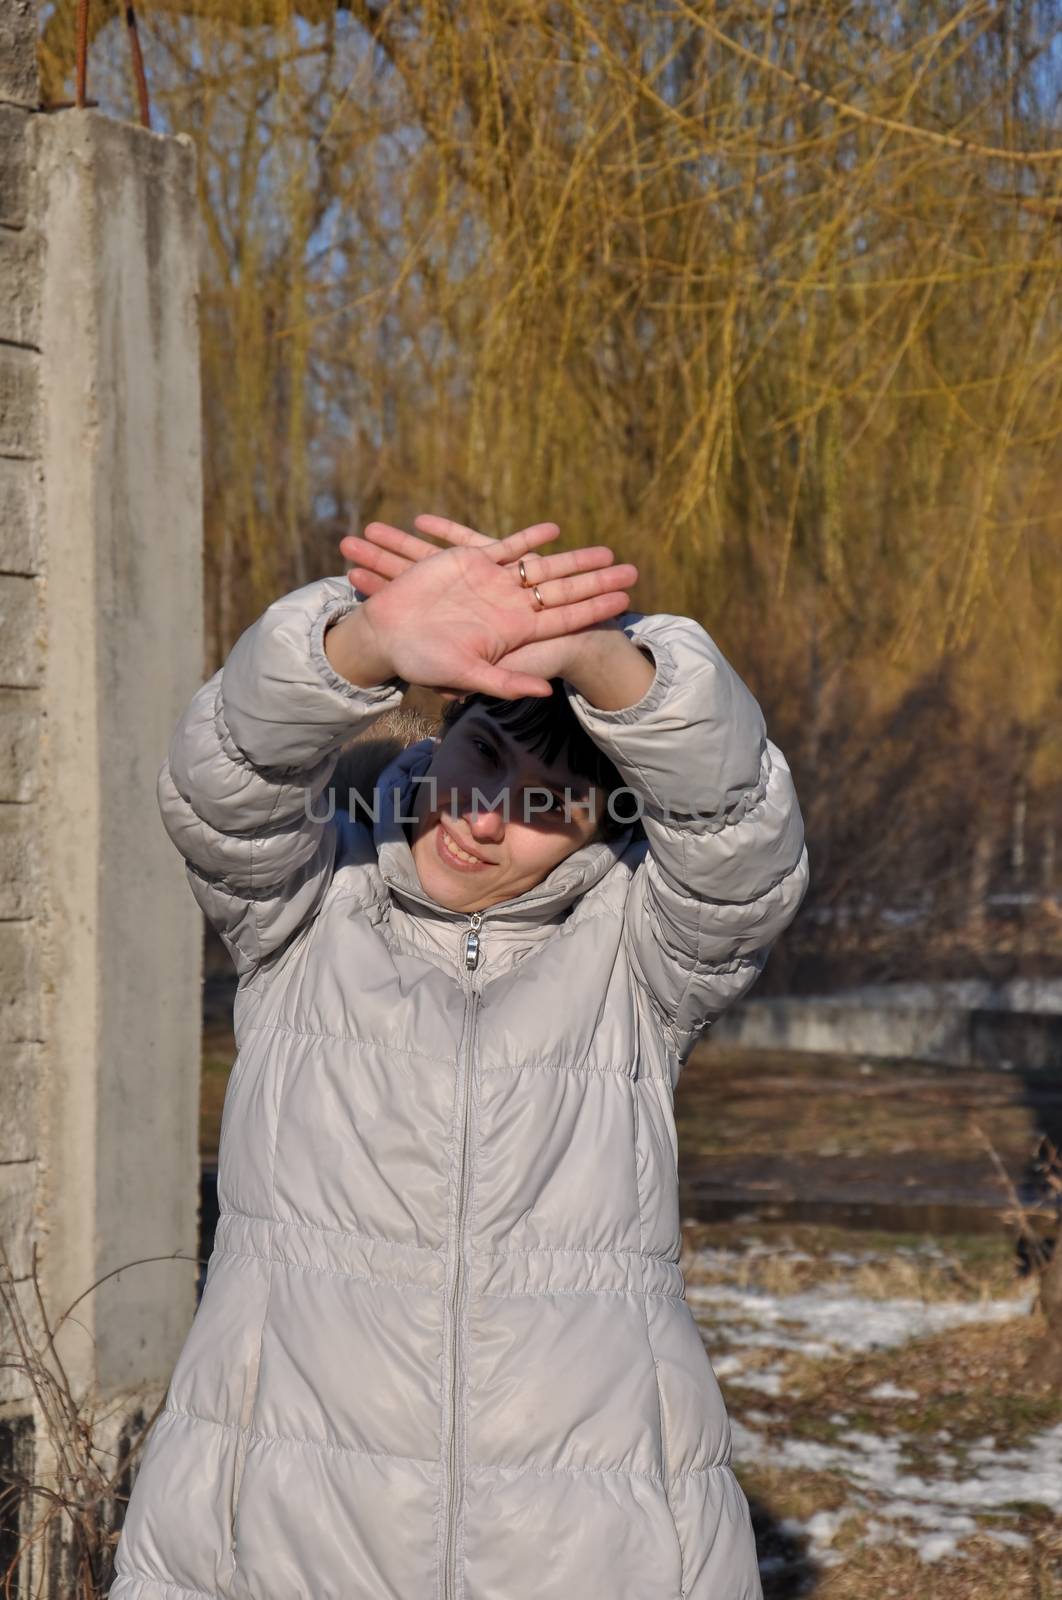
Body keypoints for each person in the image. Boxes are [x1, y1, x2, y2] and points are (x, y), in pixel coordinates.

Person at [108, 515, 809, 1600]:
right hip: (281, 1528)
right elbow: (224, 782)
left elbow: (741, 837)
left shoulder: (642, 960)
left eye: (542, 808)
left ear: (597, 833)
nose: (483, 821)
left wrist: (594, 655)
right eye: (482, 761)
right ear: (439, 740)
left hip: (585, 1542)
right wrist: (361, 648)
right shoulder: (306, 901)